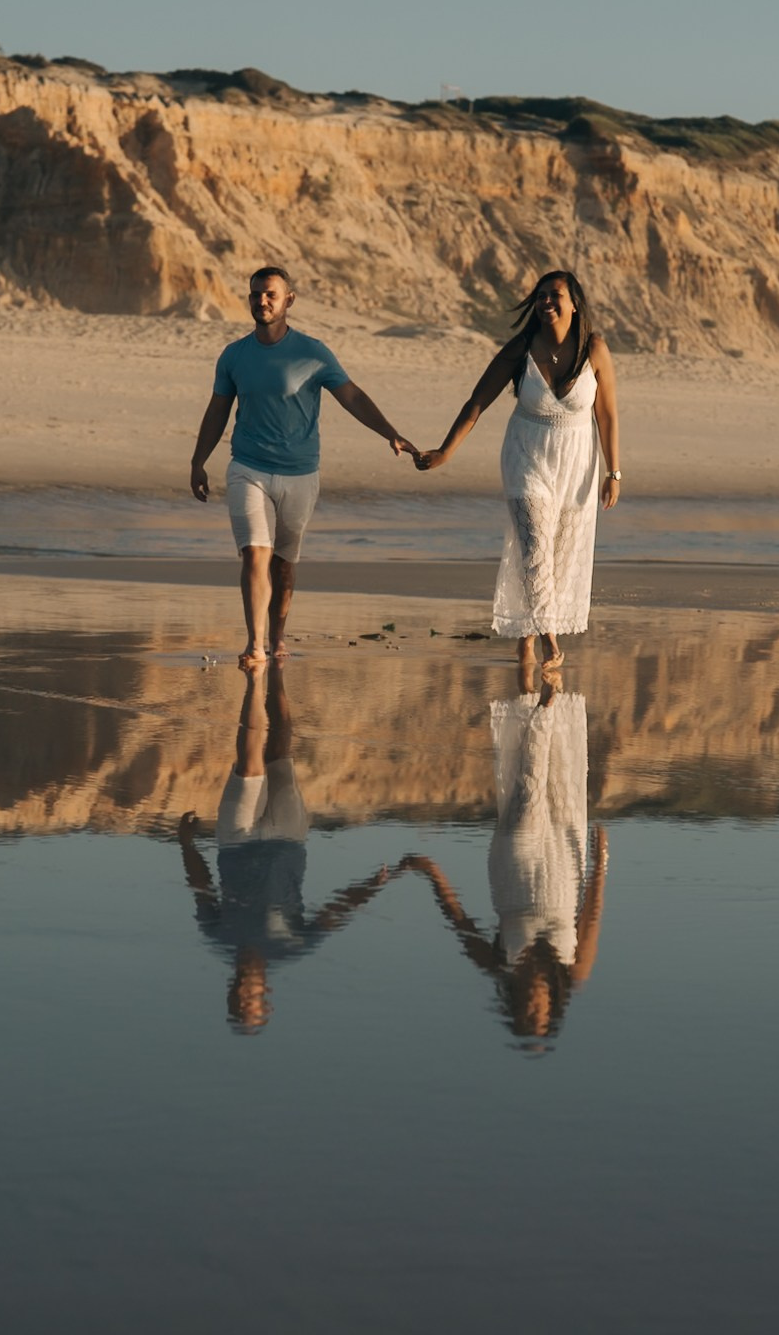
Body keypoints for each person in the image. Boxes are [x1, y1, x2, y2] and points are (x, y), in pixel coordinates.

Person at [189, 266, 417, 670]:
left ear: (289, 300)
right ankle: (255, 644)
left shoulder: (313, 353)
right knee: (254, 553)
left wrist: (391, 433)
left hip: (301, 473)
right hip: (248, 468)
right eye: (255, 294)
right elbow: (217, 410)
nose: (262, 301)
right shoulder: (234, 355)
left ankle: (277, 636)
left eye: (270, 294)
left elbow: (352, 396)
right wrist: (198, 461)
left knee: (284, 563)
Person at [413, 270, 623, 680]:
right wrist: (445, 451)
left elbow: (608, 414)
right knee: (535, 548)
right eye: (540, 296)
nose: (546, 302)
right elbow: (477, 402)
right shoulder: (521, 349)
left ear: (574, 304)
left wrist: (613, 471)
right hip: (526, 457)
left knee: (558, 556)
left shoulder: (594, 349)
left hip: (577, 464)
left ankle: (526, 634)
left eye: (555, 295)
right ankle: (549, 640)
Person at [176, 660, 400, 1033]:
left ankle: (254, 678)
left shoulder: (218, 938)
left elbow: (202, 887)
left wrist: (186, 844)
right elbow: (333, 914)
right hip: (288, 838)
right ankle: (276, 669)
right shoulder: (291, 947)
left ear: (229, 991)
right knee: (280, 749)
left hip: (236, 839)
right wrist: (369, 887)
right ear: (267, 994)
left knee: (250, 766)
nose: (243, 993)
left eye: (237, 1000)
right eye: (251, 1001)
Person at [393, 662, 607, 1046]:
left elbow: (459, 920)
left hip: (514, 868)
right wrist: (600, 864)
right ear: (552, 1007)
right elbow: (590, 919)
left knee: (528, 787)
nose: (532, 1007)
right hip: (566, 870)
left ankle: (546, 702)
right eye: (538, 1015)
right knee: (559, 770)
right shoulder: (574, 972)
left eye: (525, 1015)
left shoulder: (497, 965)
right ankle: (531, 678)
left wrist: (429, 870)